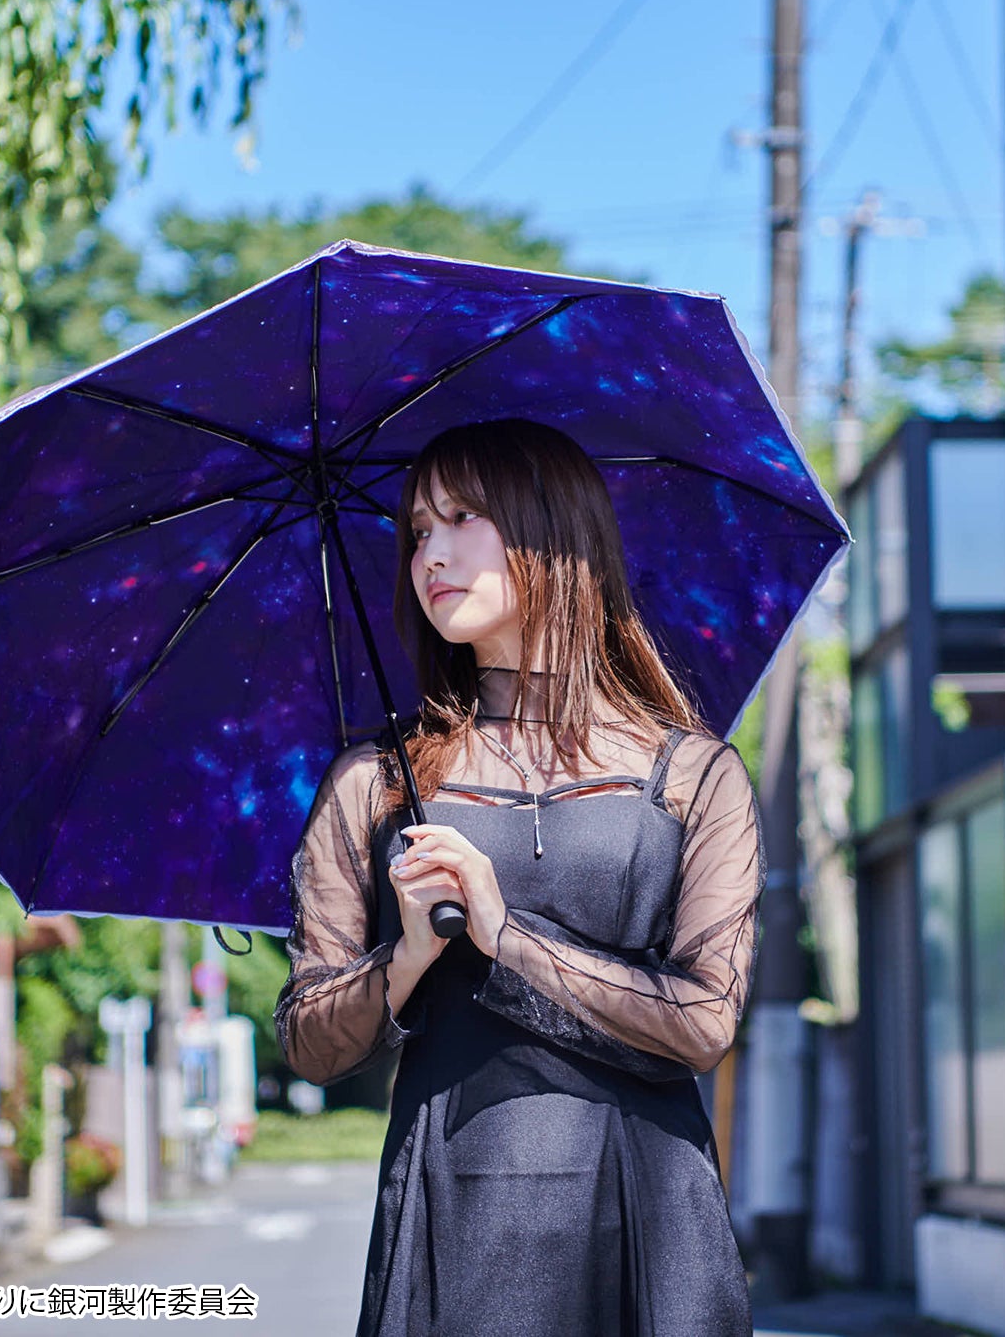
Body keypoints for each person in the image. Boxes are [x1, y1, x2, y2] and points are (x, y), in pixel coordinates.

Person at [274, 417, 764, 1337]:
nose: (431, 554)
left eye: (462, 518)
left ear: (552, 531)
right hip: (453, 1221)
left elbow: (705, 1023)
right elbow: (308, 1043)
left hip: (649, 1222)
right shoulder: (376, 781)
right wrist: (407, 959)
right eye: (417, 531)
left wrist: (505, 936)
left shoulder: (693, 775)